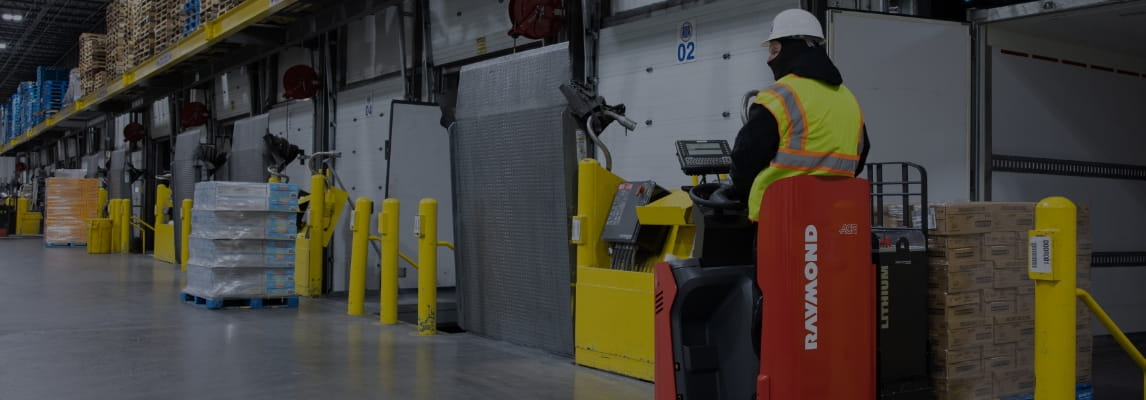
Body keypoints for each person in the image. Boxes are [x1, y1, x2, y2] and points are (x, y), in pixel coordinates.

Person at [729, 8, 871, 221]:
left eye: (774, 51)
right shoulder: (848, 99)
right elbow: (860, 155)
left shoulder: (777, 97)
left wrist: (739, 193)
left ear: (790, 50)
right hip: (834, 217)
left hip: (779, 218)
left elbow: (745, 160)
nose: (768, 59)